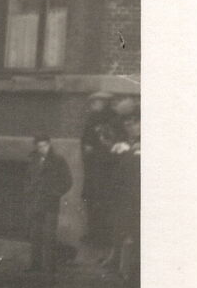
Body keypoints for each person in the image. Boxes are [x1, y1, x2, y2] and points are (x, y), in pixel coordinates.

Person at [80, 92, 124, 261]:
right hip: (93, 171)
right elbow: (86, 143)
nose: (92, 106)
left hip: (105, 172)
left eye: (95, 103)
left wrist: (93, 149)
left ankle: (104, 243)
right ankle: (96, 238)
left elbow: (112, 145)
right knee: (93, 203)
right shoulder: (92, 120)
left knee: (104, 205)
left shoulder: (112, 122)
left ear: (104, 103)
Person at [24, 134, 73, 275]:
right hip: (35, 202)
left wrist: (55, 193)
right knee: (35, 235)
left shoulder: (58, 160)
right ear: (36, 147)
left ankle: (49, 268)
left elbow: (68, 181)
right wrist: (28, 191)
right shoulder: (33, 160)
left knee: (49, 236)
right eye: (39, 146)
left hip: (50, 204)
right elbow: (27, 178)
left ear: (49, 144)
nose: (42, 149)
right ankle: (35, 265)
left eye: (45, 145)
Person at [111, 112, 141, 288]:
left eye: (134, 124)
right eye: (127, 125)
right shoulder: (128, 144)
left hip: (138, 196)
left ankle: (131, 274)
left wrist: (128, 153)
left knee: (135, 235)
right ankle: (126, 272)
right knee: (127, 233)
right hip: (127, 196)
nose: (130, 128)